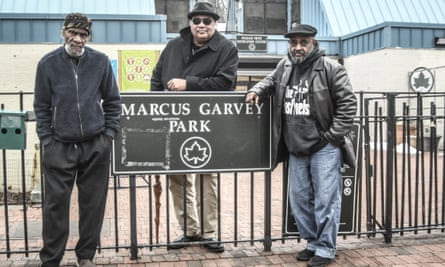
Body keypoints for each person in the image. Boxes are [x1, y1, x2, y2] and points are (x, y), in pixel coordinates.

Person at [245, 23, 357, 267]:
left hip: (324, 148)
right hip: (296, 148)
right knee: (299, 199)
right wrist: (256, 90)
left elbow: (348, 107)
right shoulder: (284, 66)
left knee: (326, 200)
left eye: (302, 42)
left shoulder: (331, 69)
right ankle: (313, 243)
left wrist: (330, 137)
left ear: (313, 43)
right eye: (293, 43)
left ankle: (326, 248)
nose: (297, 47)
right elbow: (270, 81)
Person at [33, 13, 121, 267]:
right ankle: (51, 259)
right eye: (73, 33)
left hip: (95, 144)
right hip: (59, 145)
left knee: (93, 205)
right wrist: (47, 140)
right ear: (64, 32)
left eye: (83, 35)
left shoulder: (100, 62)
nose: (78, 39)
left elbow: (113, 102)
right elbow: (41, 106)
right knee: (55, 206)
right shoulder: (47, 64)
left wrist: (108, 135)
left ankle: (86, 256)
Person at [151, 1, 238, 253]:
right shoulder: (173, 46)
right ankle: (189, 231)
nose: (201, 25)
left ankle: (209, 233)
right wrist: (156, 111)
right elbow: (157, 79)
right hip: (173, 122)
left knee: (206, 178)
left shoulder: (226, 49)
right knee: (177, 179)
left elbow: (226, 83)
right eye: (196, 20)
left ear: (215, 24)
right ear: (190, 23)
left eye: (207, 21)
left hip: (207, 125)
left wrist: (188, 84)